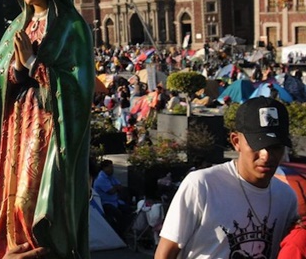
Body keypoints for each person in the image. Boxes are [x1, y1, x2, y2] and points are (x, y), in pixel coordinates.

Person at [0, 0, 94, 259]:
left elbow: (78, 87)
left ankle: (40, 248)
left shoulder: (72, 27)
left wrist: (32, 64)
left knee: (32, 197)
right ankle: (14, 247)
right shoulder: (19, 25)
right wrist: (15, 71)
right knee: (12, 195)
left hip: (49, 130)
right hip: (18, 125)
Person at [155, 97, 298, 259]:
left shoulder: (287, 197)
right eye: (257, 145)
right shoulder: (202, 185)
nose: (266, 155)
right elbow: (165, 253)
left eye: (275, 147)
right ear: (236, 142)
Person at [93, 159, 130, 235]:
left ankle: (126, 230)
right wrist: (116, 187)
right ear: (104, 168)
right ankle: (119, 233)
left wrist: (115, 187)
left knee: (128, 210)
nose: (112, 169)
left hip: (115, 201)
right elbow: (111, 191)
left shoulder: (110, 177)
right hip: (105, 203)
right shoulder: (101, 179)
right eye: (110, 167)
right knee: (118, 214)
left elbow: (120, 187)